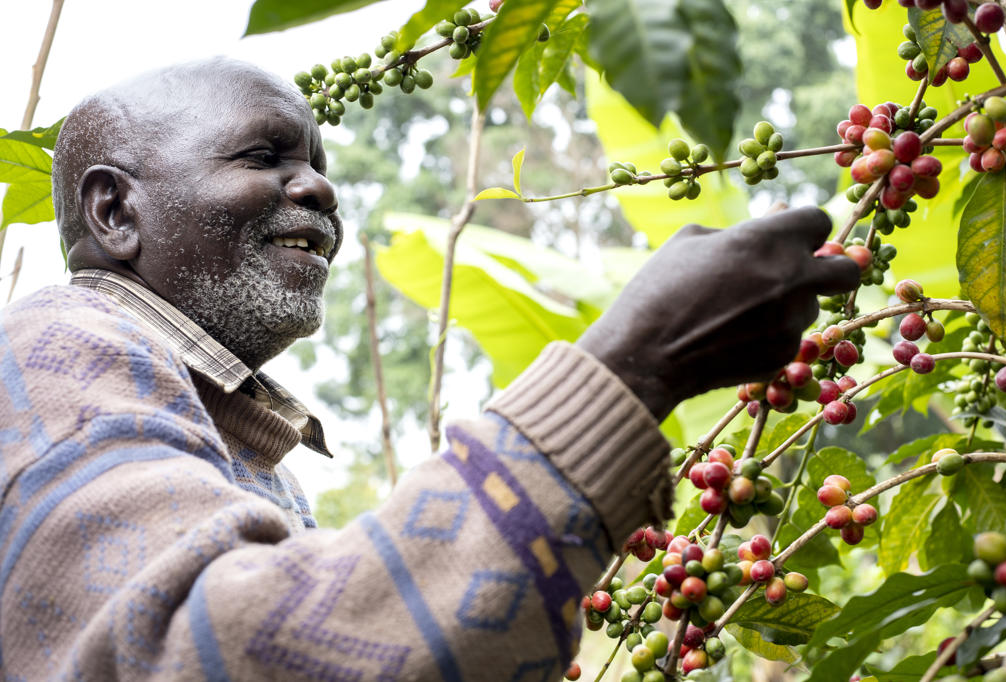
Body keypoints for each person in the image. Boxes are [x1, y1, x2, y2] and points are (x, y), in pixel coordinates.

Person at [0, 57, 860, 680]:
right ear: (114, 210)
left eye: (320, 169)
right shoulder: (55, 351)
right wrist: (630, 369)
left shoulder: (242, 447)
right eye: (264, 159)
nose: (321, 192)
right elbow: (216, 652)